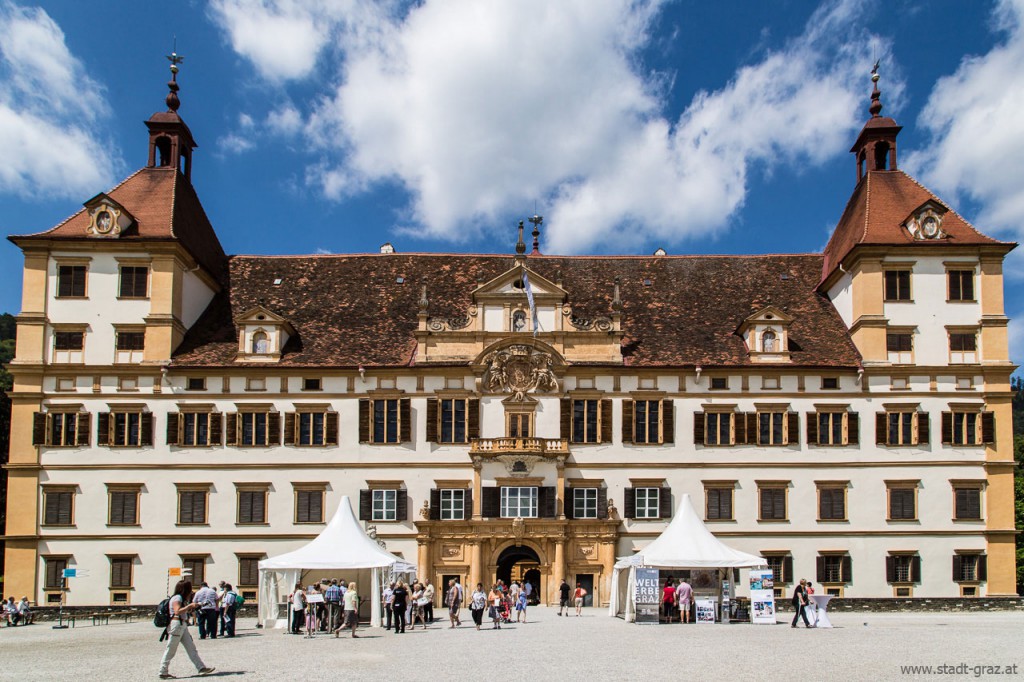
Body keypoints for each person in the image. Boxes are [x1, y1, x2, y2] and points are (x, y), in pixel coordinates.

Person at [158, 580, 215, 679]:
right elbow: (177, 611)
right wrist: (190, 606)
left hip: (182, 625)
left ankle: (201, 668)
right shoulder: (177, 597)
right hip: (177, 625)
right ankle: (162, 671)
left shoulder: (180, 598)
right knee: (171, 649)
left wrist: (193, 607)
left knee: (191, 648)